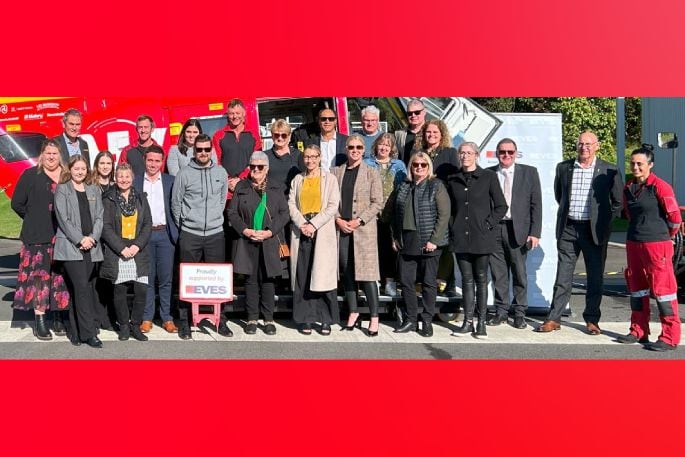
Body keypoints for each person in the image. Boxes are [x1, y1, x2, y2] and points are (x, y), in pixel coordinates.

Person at [535, 131, 623, 334]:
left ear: (597, 146)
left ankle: (592, 320)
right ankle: (554, 318)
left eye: (589, 144)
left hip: (594, 231)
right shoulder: (564, 168)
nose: (584, 147)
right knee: (563, 275)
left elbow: (617, 202)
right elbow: (560, 196)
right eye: (581, 143)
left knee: (595, 277)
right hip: (569, 228)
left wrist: (604, 221)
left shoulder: (609, 170)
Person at [617, 144, 682, 351]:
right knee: (637, 289)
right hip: (634, 244)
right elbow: (628, 214)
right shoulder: (628, 188)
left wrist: (664, 237)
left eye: (640, 164)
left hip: (657, 245)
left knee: (664, 292)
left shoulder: (660, 187)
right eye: (633, 163)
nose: (635, 167)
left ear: (650, 165)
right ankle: (639, 330)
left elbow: (675, 219)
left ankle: (670, 337)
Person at [171, 133, 230, 340]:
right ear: (194, 151)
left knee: (218, 281)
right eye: (199, 149)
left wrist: (214, 219)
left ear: (212, 150)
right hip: (191, 233)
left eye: (207, 149)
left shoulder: (221, 172)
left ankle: (219, 319)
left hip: (215, 233)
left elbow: (222, 200)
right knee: (187, 281)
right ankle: (185, 322)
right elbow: (176, 203)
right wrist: (186, 223)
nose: (203, 153)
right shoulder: (184, 174)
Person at [11, 139, 70, 341]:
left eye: (55, 153)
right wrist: (33, 217)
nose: (51, 157)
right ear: (42, 155)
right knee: (39, 281)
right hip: (36, 236)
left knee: (59, 278)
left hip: (61, 236)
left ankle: (57, 316)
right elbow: (17, 203)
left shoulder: (66, 176)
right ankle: (41, 320)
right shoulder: (30, 175)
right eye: (48, 153)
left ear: (59, 155)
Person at [448, 142, 508, 339]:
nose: (465, 156)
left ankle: (481, 323)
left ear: (477, 155)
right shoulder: (453, 179)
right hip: (460, 237)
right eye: (462, 153)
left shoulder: (488, 177)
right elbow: (449, 208)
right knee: (466, 280)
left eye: (469, 153)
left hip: (482, 237)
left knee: (481, 279)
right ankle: (467, 321)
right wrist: (452, 225)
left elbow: (501, 206)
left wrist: (488, 224)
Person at [228, 152, 289, 335]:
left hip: (268, 240)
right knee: (251, 281)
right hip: (247, 240)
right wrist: (245, 230)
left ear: (267, 169)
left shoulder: (277, 188)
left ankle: (269, 318)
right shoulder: (241, 187)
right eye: (253, 166)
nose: (255, 170)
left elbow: (284, 214)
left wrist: (270, 232)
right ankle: (252, 318)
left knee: (269, 281)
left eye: (260, 167)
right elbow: (232, 213)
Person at [389, 152, 450, 337]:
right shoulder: (403, 186)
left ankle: (427, 321)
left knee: (429, 283)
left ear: (428, 167)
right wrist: (394, 237)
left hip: (429, 241)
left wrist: (434, 240)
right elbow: (394, 214)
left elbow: (444, 215)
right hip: (407, 241)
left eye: (423, 165)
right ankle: (411, 320)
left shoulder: (436, 185)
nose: (419, 168)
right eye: (416, 164)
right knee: (407, 283)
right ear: (411, 166)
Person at [486, 138, 542, 330]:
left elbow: (536, 205)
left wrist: (535, 232)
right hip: (495, 229)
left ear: (516, 153)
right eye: (502, 152)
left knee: (519, 274)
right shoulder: (489, 174)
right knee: (498, 274)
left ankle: (519, 313)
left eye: (510, 152)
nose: (506, 155)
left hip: (518, 229)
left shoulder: (529, 173)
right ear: (497, 153)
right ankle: (501, 311)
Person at [332, 134, 383, 337]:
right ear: (346, 148)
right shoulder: (336, 172)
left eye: (359, 147)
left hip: (363, 231)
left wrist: (359, 220)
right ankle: (353, 312)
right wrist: (338, 219)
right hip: (342, 229)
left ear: (364, 150)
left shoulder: (372, 173)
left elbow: (377, 202)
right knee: (347, 272)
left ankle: (374, 317)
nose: (355, 150)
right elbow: (331, 201)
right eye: (351, 147)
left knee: (368, 276)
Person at [288, 144, 341, 335]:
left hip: (321, 230)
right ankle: (306, 319)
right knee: (303, 275)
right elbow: (291, 204)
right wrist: (303, 223)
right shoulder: (297, 179)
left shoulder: (330, 180)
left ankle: (325, 319)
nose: (310, 160)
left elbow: (333, 206)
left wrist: (314, 224)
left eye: (314, 156)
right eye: (307, 157)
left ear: (320, 157)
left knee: (323, 277)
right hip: (302, 231)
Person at [54, 155, 104, 348]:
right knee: (81, 287)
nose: (80, 172)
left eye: (83, 168)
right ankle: (89, 333)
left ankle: (75, 330)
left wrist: (92, 238)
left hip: (91, 247)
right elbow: (63, 219)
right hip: (71, 247)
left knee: (82, 289)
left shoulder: (93, 189)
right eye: (77, 169)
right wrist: (80, 239)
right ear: (70, 169)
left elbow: (99, 216)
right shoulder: (62, 189)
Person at [100, 163, 152, 342]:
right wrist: (121, 248)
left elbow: (147, 224)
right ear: (115, 178)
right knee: (120, 290)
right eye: (120, 176)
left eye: (127, 176)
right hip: (118, 249)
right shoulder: (108, 199)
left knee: (141, 290)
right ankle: (123, 325)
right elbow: (105, 227)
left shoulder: (141, 198)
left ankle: (135, 325)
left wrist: (137, 245)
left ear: (132, 178)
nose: (123, 180)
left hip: (139, 249)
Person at [134, 145, 179, 334]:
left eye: (157, 161)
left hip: (165, 234)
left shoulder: (171, 181)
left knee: (166, 278)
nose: (153, 164)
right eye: (150, 160)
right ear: (145, 160)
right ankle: (147, 317)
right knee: (147, 278)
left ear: (162, 162)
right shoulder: (135, 182)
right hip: (144, 236)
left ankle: (167, 317)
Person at [413, 119, 461, 296]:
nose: (431, 135)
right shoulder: (419, 153)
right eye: (428, 132)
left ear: (442, 134)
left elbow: (455, 178)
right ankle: (425, 282)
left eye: (435, 132)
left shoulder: (449, 152)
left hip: (443, 202)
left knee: (444, 244)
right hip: (423, 204)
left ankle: (448, 284)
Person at [365, 133, 407, 296]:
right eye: (381, 144)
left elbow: (403, 187)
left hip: (392, 213)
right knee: (372, 248)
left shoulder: (399, 165)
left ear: (392, 148)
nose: (383, 148)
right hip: (372, 213)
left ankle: (389, 281)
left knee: (391, 249)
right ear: (376, 146)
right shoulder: (367, 163)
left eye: (387, 145)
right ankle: (372, 281)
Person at [88, 150, 117, 330]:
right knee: (96, 280)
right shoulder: (91, 185)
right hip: (96, 238)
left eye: (108, 163)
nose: (105, 167)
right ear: (96, 166)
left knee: (109, 279)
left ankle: (109, 315)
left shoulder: (115, 185)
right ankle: (97, 317)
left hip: (112, 239)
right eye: (102, 163)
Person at [264, 119, 302, 195]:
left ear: (289, 136)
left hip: (294, 200)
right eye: (277, 135)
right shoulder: (265, 156)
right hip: (273, 200)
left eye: (283, 135)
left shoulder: (298, 155)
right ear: (272, 136)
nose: (280, 138)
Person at [395, 98, 427, 164]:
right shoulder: (399, 134)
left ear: (424, 112)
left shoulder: (433, 132)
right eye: (410, 113)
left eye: (417, 112)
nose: (413, 115)